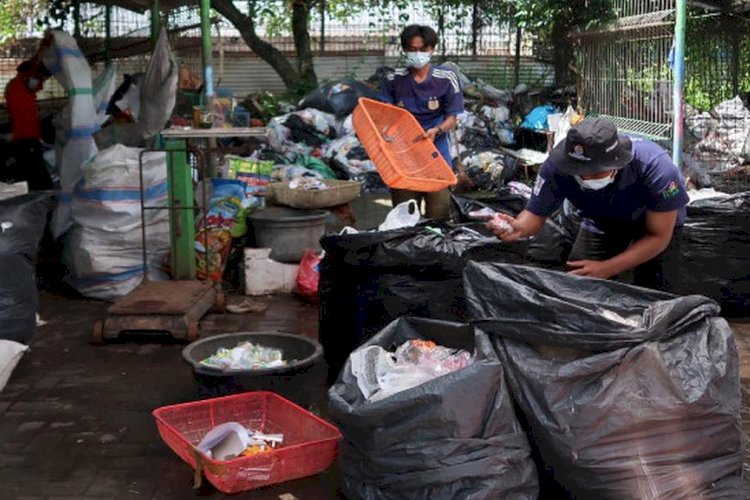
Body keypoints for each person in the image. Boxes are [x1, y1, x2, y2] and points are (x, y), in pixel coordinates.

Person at [491, 118, 689, 292]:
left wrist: (607, 268)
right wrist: (516, 228)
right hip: (602, 220)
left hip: (651, 225)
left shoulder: (655, 168)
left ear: (616, 164)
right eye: (579, 170)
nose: (586, 177)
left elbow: (659, 236)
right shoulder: (556, 168)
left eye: (595, 172)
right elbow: (533, 218)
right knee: (578, 283)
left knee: (655, 293)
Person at [379, 24, 464, 220]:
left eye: (422, 49)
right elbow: (383, 114)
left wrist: (437, 129)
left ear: (432, 49)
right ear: (404, 49)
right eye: (412, 49)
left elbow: (452, 118)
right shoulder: (393, 79)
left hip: (436, 154)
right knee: (405, 215)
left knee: (439, 214)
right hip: (403, 155)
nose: (417, 54)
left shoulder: (447, 78)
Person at [4, 60, 53, 190]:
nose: (40, 83)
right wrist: (44, 46)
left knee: (35, 177)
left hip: (28, 140)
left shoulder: (24, 90)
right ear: (28, 75)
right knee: (40, 180)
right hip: (25, 140)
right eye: (38, 78)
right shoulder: (17, 89)